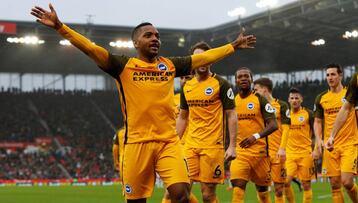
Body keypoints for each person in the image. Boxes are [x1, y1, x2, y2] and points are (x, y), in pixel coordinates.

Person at [30, 4, 256, 203]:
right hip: (137, 144)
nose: (155, 38)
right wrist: (60, 27)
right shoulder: (123, 66)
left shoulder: (169, 65)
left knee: (181, 194)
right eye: (148, 35)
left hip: (168, 142)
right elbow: (90, 48)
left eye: (157, 35)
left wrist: (232, 47)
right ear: (136, 42)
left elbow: (203, 58)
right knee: (136, 201)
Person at [177, 42, 237, 203]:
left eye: (205, 57)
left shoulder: (221, 84)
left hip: (212, 147)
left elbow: (231, 114)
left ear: (211, 59)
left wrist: (232, 145)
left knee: (207, 195)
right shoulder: (187, 86)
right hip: (190, 145)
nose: (202, 61)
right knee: (180, 192)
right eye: (198, 58)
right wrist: (174, 143)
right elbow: (183, 117)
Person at [230, 67, 278, 203]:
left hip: (260, 153)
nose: (243, 78)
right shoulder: (232, 102)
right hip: (240, 152)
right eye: (240, 77)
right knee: (238, 187)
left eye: (246, 76)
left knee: (263, 192)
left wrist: (255, 136)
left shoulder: (260, 100)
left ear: (251, 80)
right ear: (236, 81)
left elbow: (274, 125)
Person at [323, 65, 358, 203]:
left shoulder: (350, 91)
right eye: (328, 75)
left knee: (347, 182)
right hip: (332, 146)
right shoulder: (322, 98)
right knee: (335, 185)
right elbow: (318, 122)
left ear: (340, 75)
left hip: (349, 143)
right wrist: (324, 140)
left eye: (333, 74)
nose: (330, 77)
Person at [162, 75, 199, 203]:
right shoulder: (172, 99)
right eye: (182, 78)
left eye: (188, 77)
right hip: (175, 148)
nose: (184, 80)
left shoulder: (202, 98)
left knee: (205, 192)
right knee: (175, 194)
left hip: (193, 147)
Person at [253, 77, 290, 203]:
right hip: (260, 153)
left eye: (256, 89)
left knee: (279, 189)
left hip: (276, 152)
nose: (253, 92)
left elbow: (286, 129)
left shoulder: (282, 105)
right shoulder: (255, 107)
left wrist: (282, 148)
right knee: (261, 189)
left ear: (264, 90)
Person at [285, 87, 315, 203]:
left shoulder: (308, 114)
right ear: (288, 100)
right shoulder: (285, 115)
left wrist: (316, 146)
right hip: (289, 155)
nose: (294, 100)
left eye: (297, 98)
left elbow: (317, 130)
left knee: (306, 185)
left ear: (301, 99)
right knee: (286, 182)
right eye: (292, 98)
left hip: (305, 154)